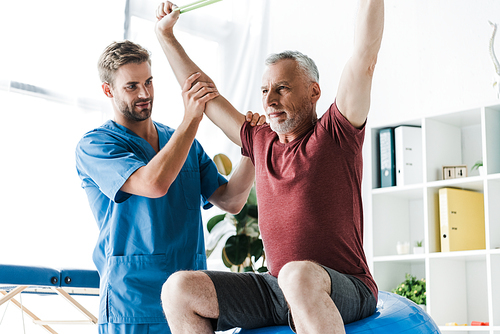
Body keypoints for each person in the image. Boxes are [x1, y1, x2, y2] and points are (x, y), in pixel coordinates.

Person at [155, 0, 384, 333]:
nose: (270, 100)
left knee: (297, 275)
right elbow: (202, 93)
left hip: (344, 286)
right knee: (178, 290)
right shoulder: (260, 141)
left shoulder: (337, 133)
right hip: (278, 288)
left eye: (282, 89)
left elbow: (365, 55)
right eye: (264, 90)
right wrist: (166, 36)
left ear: (314, 91)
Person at [75, 40, 265, 334]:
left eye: (149, 82)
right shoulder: (96, 145)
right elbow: (154, 183)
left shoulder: (182, 143)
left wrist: (253, 150)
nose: (145, 94)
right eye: (132, 86)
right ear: (107, 90)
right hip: (134, 302)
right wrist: (191, 118)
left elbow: (231, 201)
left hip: (190, 300)